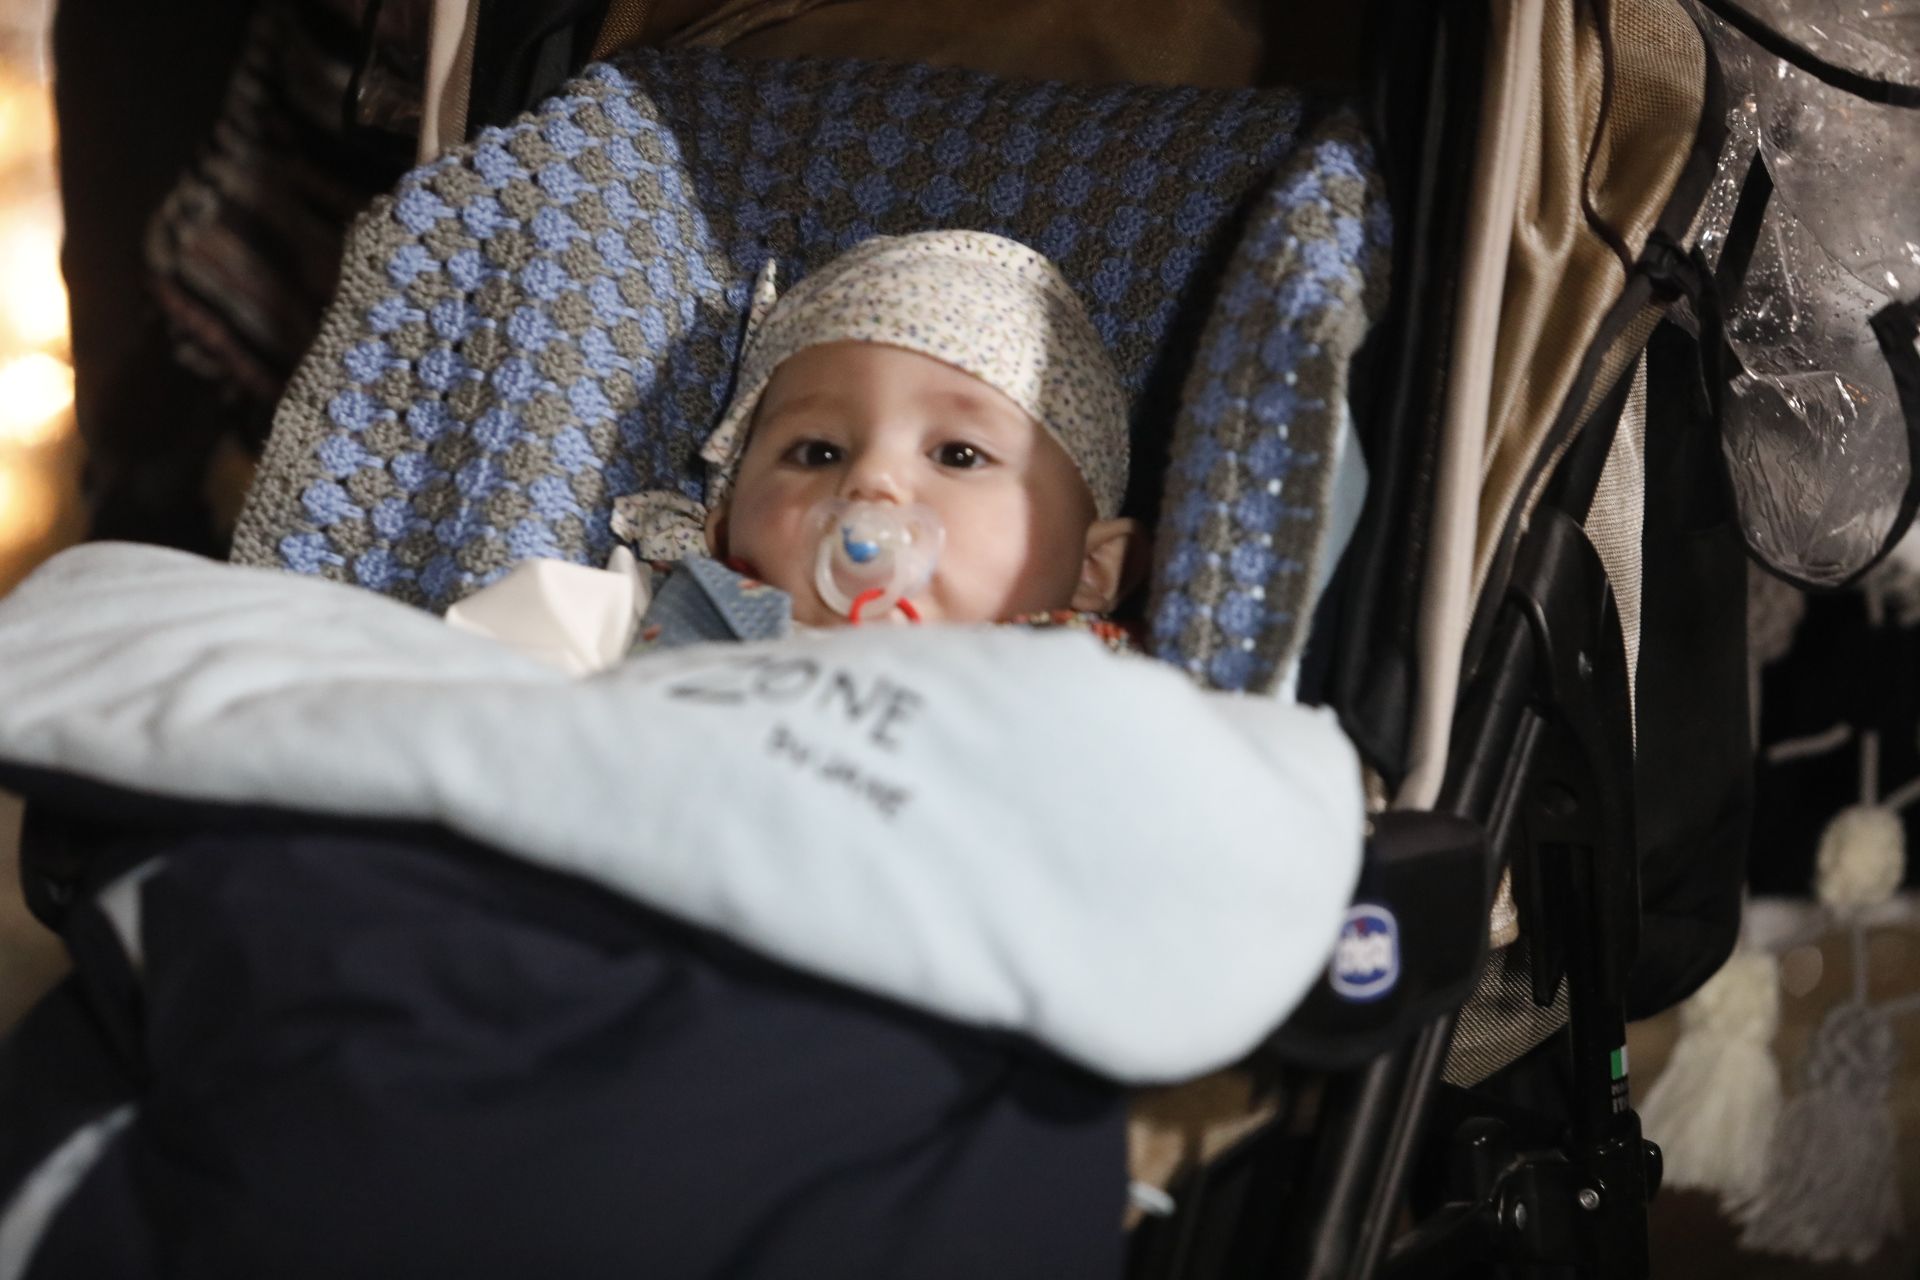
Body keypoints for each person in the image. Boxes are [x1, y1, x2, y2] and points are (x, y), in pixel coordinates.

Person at [453, 229, 1147, 663]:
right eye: (817, 452)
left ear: (1091, 569)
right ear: (726, 529)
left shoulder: (1102, 686)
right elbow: (468, 687)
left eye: (958, 455)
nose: (873, 482)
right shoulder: (660, 611)